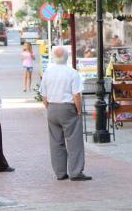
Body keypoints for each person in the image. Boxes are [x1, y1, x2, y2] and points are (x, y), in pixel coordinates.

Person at [40, 47, 91, 181]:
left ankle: (60, 172)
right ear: (67, 57)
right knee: (74, 141)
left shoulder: (48, 72)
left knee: (55, 142)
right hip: (68, 108)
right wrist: (79, 110)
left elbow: (44, 96)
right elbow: (76, 95)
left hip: (52, 108)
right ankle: (75, 172)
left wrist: (49, 107)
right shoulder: (72, 73)